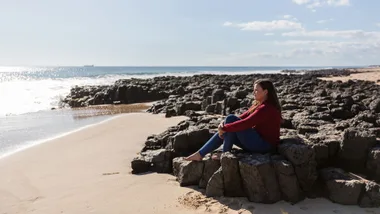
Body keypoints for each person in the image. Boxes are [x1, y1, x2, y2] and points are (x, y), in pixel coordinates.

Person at [185, 78, 282, 161]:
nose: (253, 93)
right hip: (257, 141)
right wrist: (224, 125)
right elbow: (241, 118)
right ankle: (201, 154)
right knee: (230, 119)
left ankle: (222, 154)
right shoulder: (258, 105)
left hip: (265, 146)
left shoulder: (266, 108)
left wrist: (225, 128)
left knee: (231, 120)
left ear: (265, 92)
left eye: (256, 90)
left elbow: (246, 123)